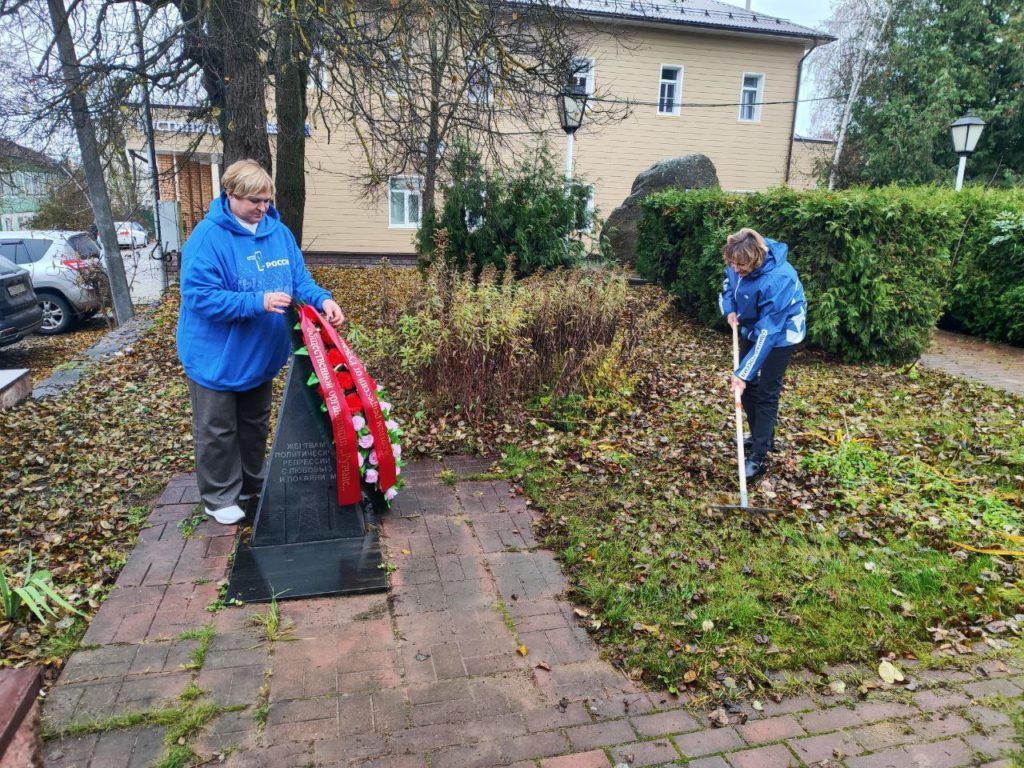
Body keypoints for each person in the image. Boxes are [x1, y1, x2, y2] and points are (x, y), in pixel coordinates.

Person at [176, 159, 345, 524]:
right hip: (217, 356)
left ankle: (252, 484)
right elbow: (199, 297)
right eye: (254, 201)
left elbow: (298, 279)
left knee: (254, 422)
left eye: (267, 200)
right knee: (218, 428)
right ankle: (219, 497)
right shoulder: (207, 238)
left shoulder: (277, 233)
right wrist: (257, 302)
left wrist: (323, 299)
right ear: (230, 195)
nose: (262, 208)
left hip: (260, 354)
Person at [718, 227, 806, 480]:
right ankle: (762, 437)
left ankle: (758, 457)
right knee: (746, 388)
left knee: (767, 391)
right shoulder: (738, 261)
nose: (736, 269)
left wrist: (743, 372)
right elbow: (728, 286)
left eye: (740, 267)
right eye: (732, 264)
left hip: (782, 332)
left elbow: (770, 330)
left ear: (755, 260)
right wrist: (730, 309)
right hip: (752, 327)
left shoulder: (780, 278)